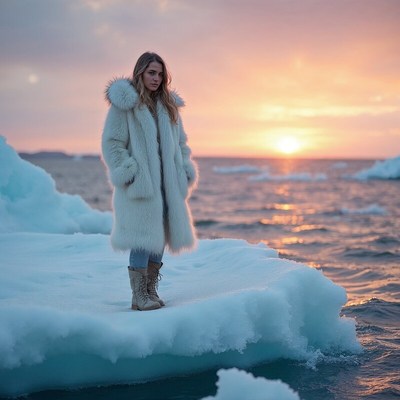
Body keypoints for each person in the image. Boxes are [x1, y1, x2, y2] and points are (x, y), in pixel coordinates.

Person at [102, 52, 198, 311]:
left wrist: (184, 168)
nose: (156, 78)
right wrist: (129, 171)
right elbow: (112, 143)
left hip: (167, 184)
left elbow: (181, 144)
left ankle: (150, 291)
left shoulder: (169, 106)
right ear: (140, 73)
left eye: (159, 73)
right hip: (141, 186)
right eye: (151, 73)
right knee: (143, 239)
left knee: (160, 237)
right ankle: (139, 296)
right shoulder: (126, 105)